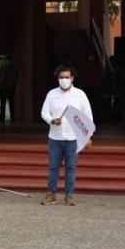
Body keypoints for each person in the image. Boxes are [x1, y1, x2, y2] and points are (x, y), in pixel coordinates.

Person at [40, 65, 93, 206]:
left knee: (71, 167)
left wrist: (87, 136)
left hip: (73, 138)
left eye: (67, 77)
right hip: (55, 137)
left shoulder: (80, 94)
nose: (64, 80)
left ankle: (69, 195)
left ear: (72, 78)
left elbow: (87, 116)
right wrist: (52, 120)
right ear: (58, 79)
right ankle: (51, 194)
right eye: (61, 77)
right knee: (53, 167)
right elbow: (44, 112)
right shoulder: (51, 94)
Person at [0, 56, 18, 123]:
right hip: (11, 88)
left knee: (3, 104)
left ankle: (2, 118)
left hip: (3, 88)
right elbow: (16, 78)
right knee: (11, 103)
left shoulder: (2, 68)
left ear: (6, 60)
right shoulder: (14, 68)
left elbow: (0, 78)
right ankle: (12, 117)